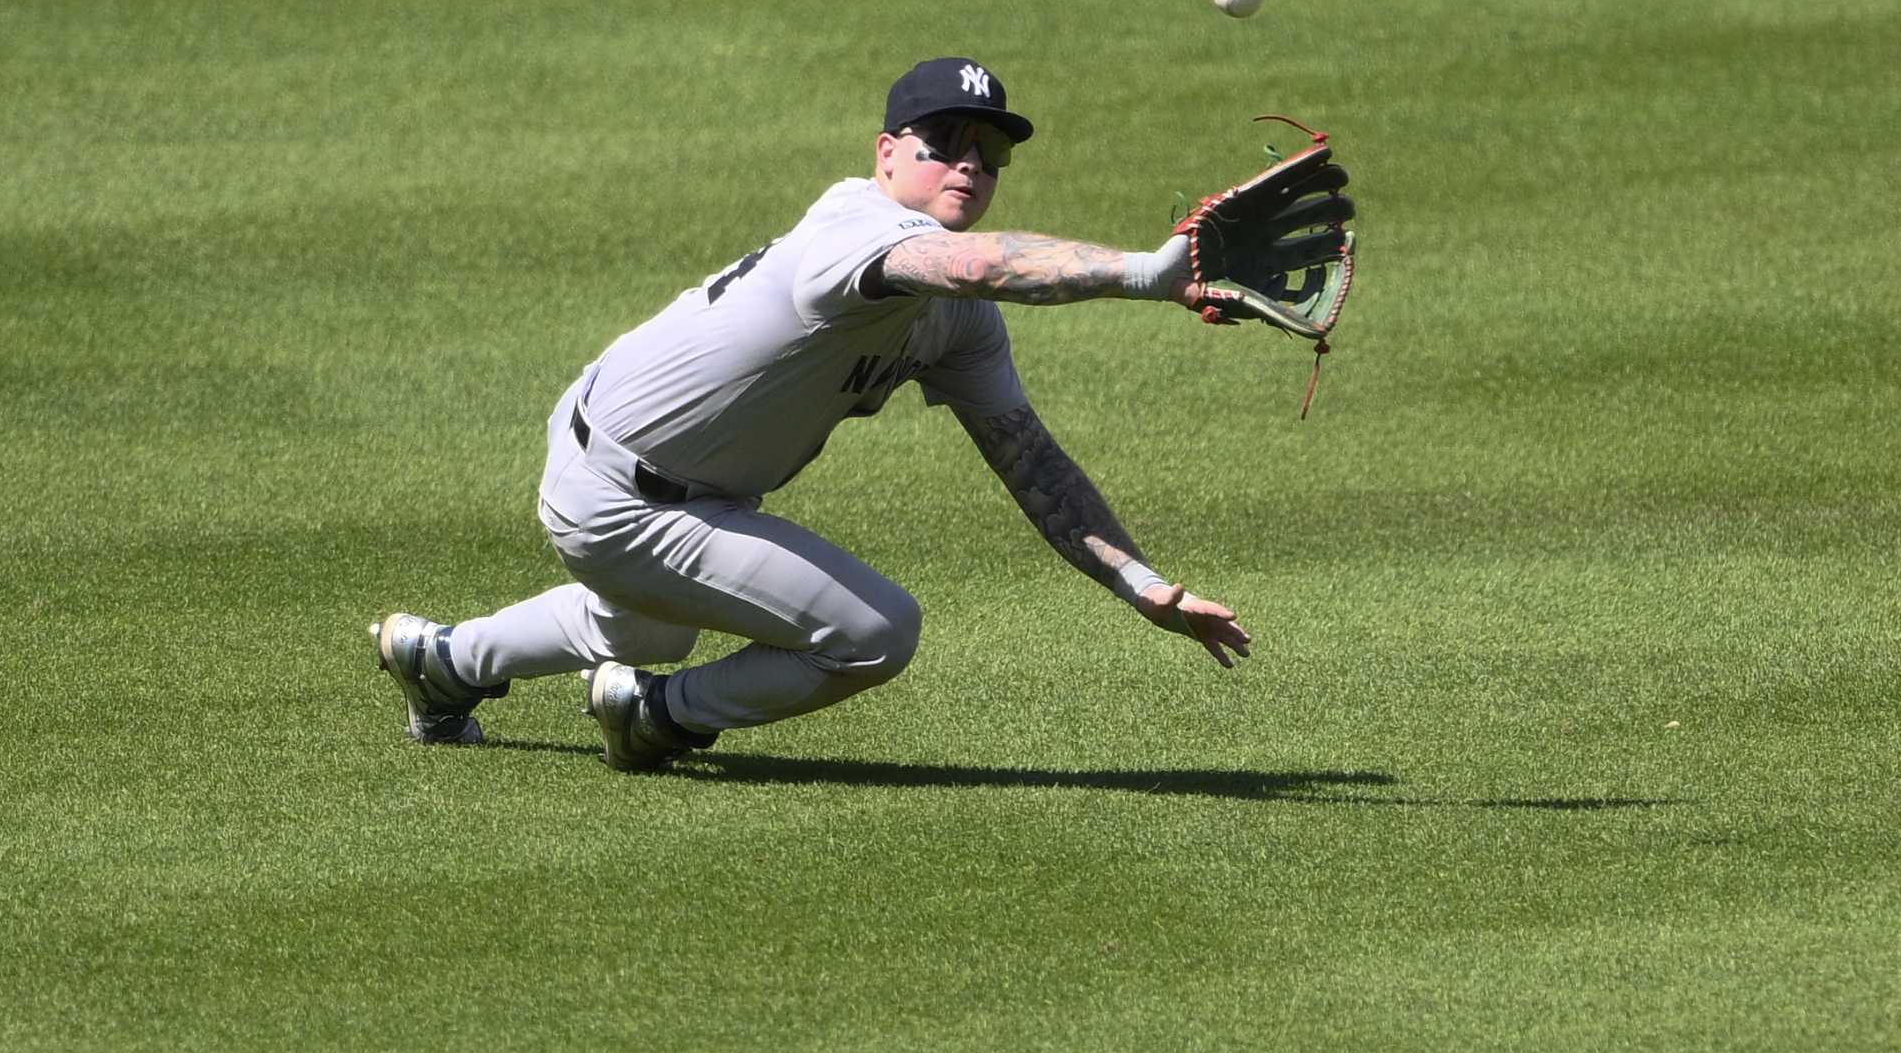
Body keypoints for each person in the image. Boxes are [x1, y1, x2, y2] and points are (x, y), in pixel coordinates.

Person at [371, 56, 1254, 771]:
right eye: (947, 139)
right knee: (876, 632)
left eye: (992, 151)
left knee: (648, 621)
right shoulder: (853, 234)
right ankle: (653, 716)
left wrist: (1143, 587)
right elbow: (977, 265)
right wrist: (1144, 273)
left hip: (667, 482)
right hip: (620, 486)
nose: (973, 162)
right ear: (886, 153)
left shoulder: (960, 325)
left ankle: (440, 661)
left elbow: (1032, 464)